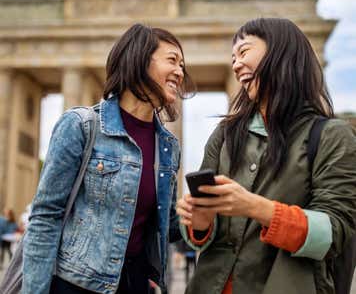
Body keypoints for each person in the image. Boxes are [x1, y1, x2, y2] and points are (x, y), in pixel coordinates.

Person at [176, 18, 356, 294]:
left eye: (244, 52)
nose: (235, 65)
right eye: (233, 58)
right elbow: (203, 237)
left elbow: (333, 235)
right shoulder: (225, 135)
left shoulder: (332, 136)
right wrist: (199, 222)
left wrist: (254, 207)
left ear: (281, 53)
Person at [23, 23, 195, 294]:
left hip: (135, 284)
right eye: (172, 60)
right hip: (75, 285)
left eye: (182, 65)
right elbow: (46, 217)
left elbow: (165, 227)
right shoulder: (81, 126)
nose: (179, 71)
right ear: (138, 59)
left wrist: (197, 216)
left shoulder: (168, 146)